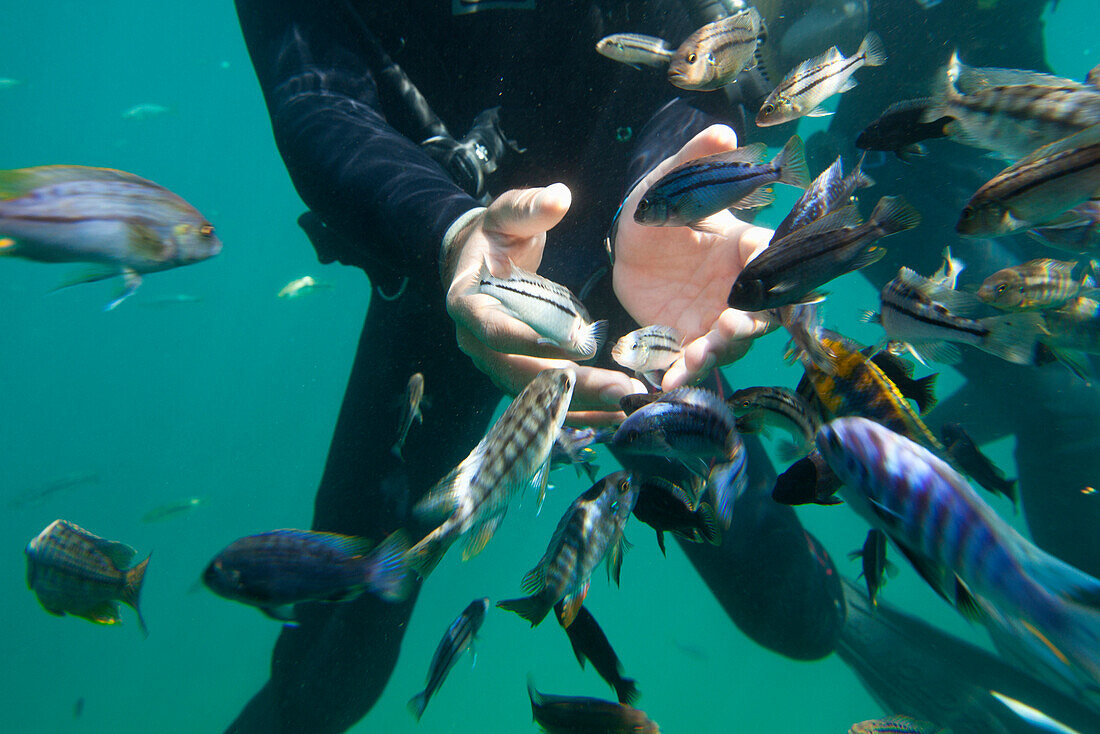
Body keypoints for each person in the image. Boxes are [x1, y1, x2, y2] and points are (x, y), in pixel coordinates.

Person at [229, 2, 844, 732]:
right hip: (455, 280)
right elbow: (317, 98)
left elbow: (682, 47)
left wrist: (669, 194)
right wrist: (454, 233)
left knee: (794, 613)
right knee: (333, 663)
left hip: (637, 268)